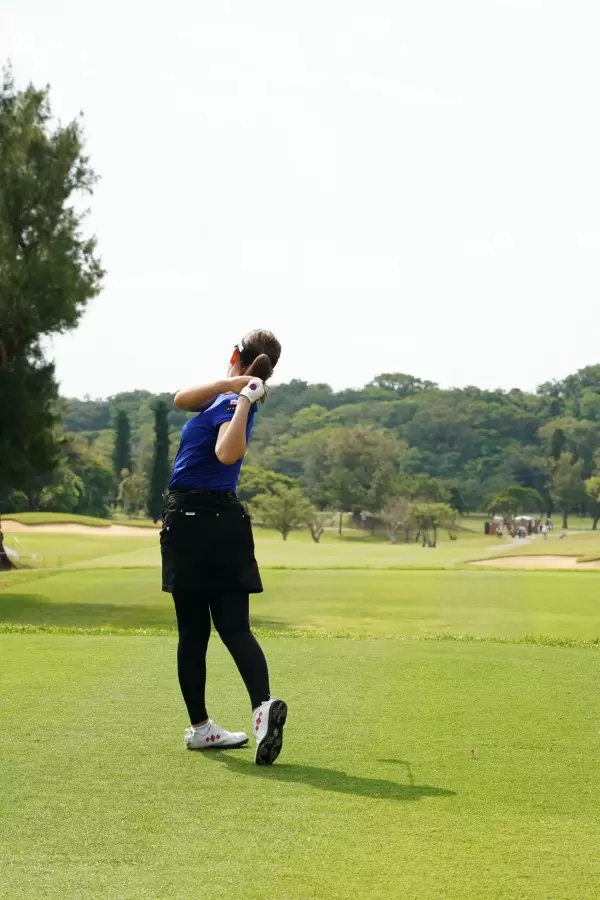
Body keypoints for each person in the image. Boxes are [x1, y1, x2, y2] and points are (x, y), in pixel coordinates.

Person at [160, 330, 287, 765]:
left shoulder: (235, 405)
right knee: (235, 627)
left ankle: (201, 728)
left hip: (191, 521)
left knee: (194, 632)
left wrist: (244, 400)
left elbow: (227, 454)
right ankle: (262, 707)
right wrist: (234, 386)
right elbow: (181, 398)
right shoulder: (222, 397)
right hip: (224, 522)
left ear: (234, 353)